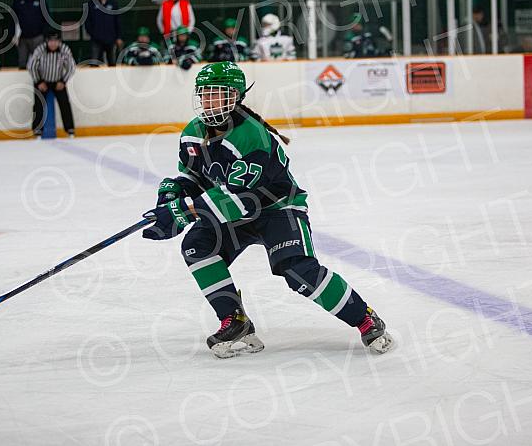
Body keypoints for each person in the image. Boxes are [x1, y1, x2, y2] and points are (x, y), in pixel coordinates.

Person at [141, 61, 394, 358]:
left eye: (217, 94)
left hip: (277, 209)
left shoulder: (251, 136)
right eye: (204, 94)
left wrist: (183, 211)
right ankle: (235, 320)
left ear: (235, 97)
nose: (209, 101)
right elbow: (194, 175)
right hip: (235, 213)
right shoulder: (192, 133)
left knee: (298, 272)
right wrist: (175, 190)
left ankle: (365, 318)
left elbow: (239, 200)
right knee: (197, 246)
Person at [27, 30, 76, 138]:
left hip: (58, 81)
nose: (53, 43)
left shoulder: (64, 50)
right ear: (46, 41)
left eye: (56, 41)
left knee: (65, 104)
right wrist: (39, 81)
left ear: (59, 41)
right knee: (38, 104)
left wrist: (63, 81)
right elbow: (31, 66)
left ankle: (70, 130)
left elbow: (71, 67)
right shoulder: (40, 50)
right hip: (42, 80)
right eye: (50, 41)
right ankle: (37, 131)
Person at [12, 0, 48, 69]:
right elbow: (13, 18)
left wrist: (44, 34)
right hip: (22, 38)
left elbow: (46, 18)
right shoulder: (18, 0)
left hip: (38, 37)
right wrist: (14, 35)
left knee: (40, 63)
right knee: (22, 63)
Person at [85, 0, 122, 66]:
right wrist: (93, 34)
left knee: (112, 63)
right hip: (96, 40)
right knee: (95, 63)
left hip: (111, 39)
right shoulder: (90, 4)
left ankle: (113, 80)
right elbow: (87, 22)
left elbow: (117, 21)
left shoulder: (113, 4)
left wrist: (118, 37)